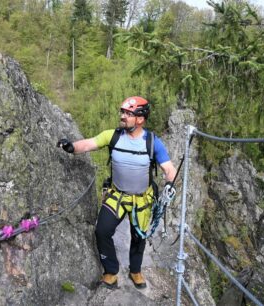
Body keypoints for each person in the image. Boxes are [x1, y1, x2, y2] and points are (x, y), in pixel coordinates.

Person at [57, 96, 176, 289]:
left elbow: (169, 169)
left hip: (141, 199)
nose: (123, 117)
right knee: (102, 231)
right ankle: (111, 272)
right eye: (123, 112)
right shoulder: (112, 135)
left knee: (139, 237)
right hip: (117, 195)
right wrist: (71, 147)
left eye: (128, 114)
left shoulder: (153, 143)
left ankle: (135, 271)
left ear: (140, 119)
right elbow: (89, 144)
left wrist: (170, 185)